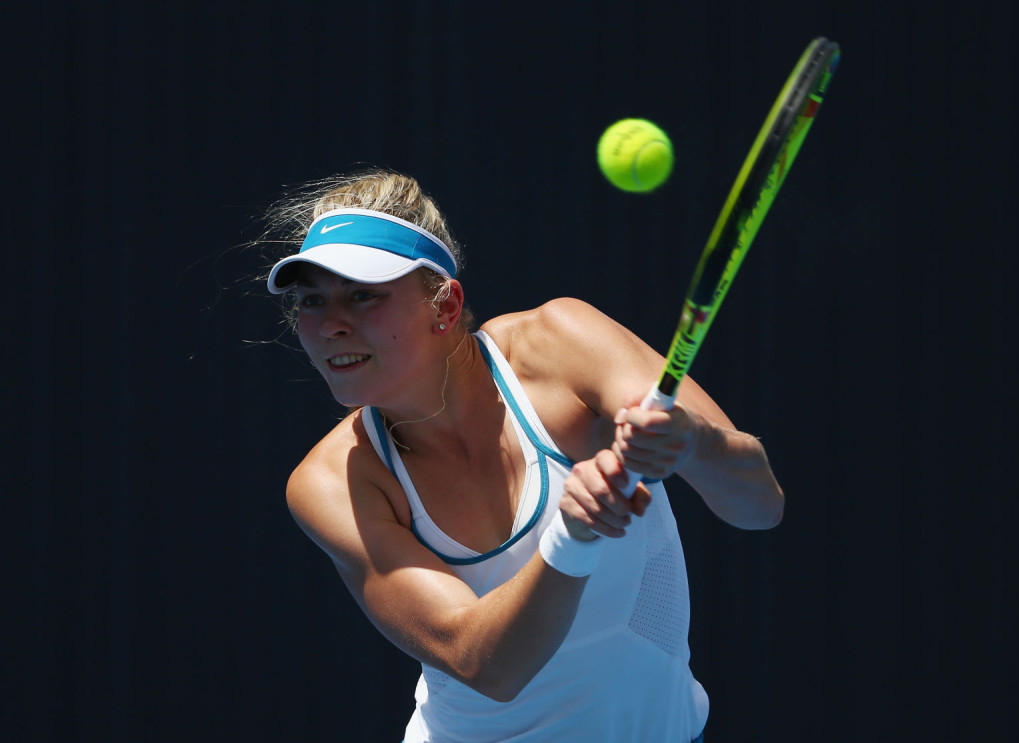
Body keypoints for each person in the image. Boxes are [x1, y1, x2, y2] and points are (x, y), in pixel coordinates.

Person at [262, 169, 783, 742]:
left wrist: (695, 443)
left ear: (445, 304)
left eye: (363, 296)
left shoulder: (560, 344)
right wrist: (574, 533)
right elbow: (483, 663)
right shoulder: (332, 481)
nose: (330, 325)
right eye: (311, 301)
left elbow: (759, 507)